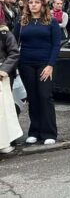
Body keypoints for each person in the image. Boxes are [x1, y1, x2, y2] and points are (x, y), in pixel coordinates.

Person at [13, 0, 62, 145]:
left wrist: (50, 65)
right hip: (25, 64)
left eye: (37, 2)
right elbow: (13, 44)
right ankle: (35, 131)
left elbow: (56, 45)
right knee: (32, 98)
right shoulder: (21, 22)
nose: (33, 5)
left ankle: (49, 133)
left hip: (44, 64)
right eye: (31, 2)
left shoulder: (51, 22)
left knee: (45, 96)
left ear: (43, 4)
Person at [0, 22, 21, 153]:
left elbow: (14, 53)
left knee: (5, 109)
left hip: (3, 77)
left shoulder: (5, 34)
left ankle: (6, 141)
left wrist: (3, 70)